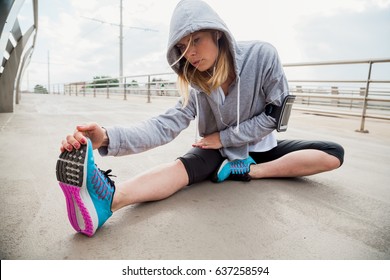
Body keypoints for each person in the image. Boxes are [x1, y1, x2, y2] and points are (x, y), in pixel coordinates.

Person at [56, 0, 344, 237]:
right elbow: (164, 125)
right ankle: (108, 201)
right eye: (181, 47)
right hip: (215, 152)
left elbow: (275, 115)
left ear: (217, 33)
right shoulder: (195, 81)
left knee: (332, 154)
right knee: (180, 169)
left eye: (196, 40)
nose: (190, 53)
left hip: (262, 149)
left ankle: (247, 170)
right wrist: (106, 136)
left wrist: (229, 141)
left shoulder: (262, 55)